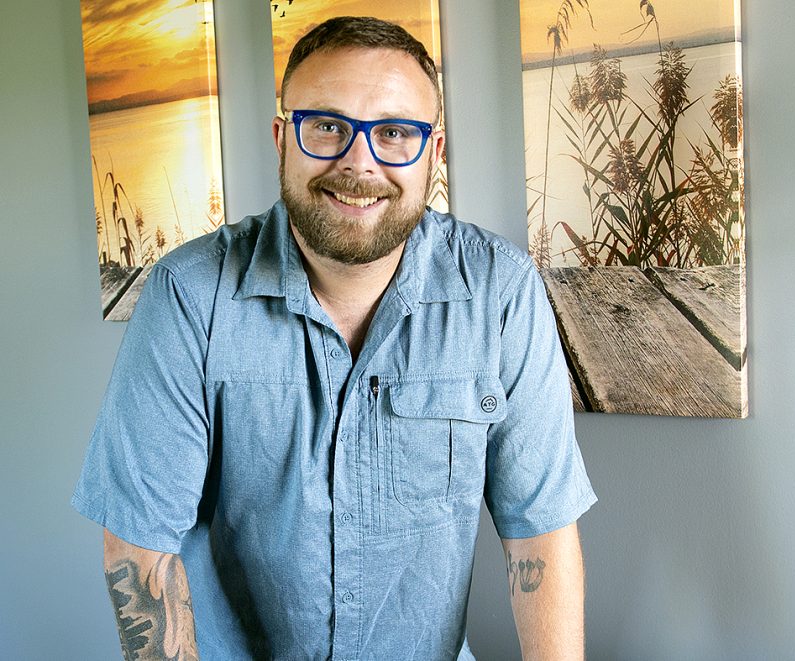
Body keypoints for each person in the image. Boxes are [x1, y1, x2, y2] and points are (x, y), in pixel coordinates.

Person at [73, 15, 595, 661]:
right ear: (281, 139)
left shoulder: (501, 291)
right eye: (326, 126)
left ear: (433, 153)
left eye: (395, 132)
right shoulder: (187, 293)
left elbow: (538, 536)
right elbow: (138, 548)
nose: (358, 162)